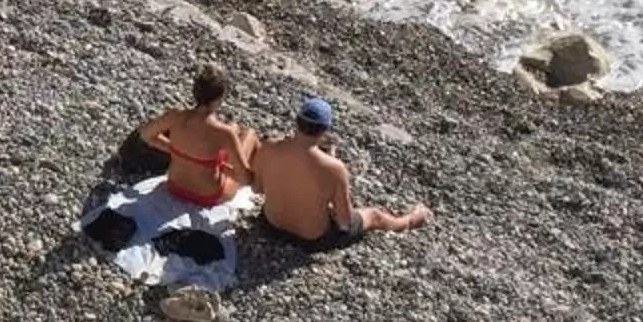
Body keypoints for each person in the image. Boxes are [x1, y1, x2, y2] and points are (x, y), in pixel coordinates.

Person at [243, 96, 430, 242]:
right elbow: (344, 222)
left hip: (271, 225)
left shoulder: (268, 147)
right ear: (324, 130)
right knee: (374, 215)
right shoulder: (334, 168)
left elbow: (257, 188)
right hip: (309, 239)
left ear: (297, 121)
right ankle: (410, 220)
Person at [134, 66, 260, 209]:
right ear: (219, 99)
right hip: (207, 196)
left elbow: (145, 134)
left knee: (233, 127)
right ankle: (263, 188)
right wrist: (223, 168)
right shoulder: (224, 133)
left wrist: (174, 149)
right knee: (250, 135)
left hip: (174, 186)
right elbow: (245, 179)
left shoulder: (175, 116)